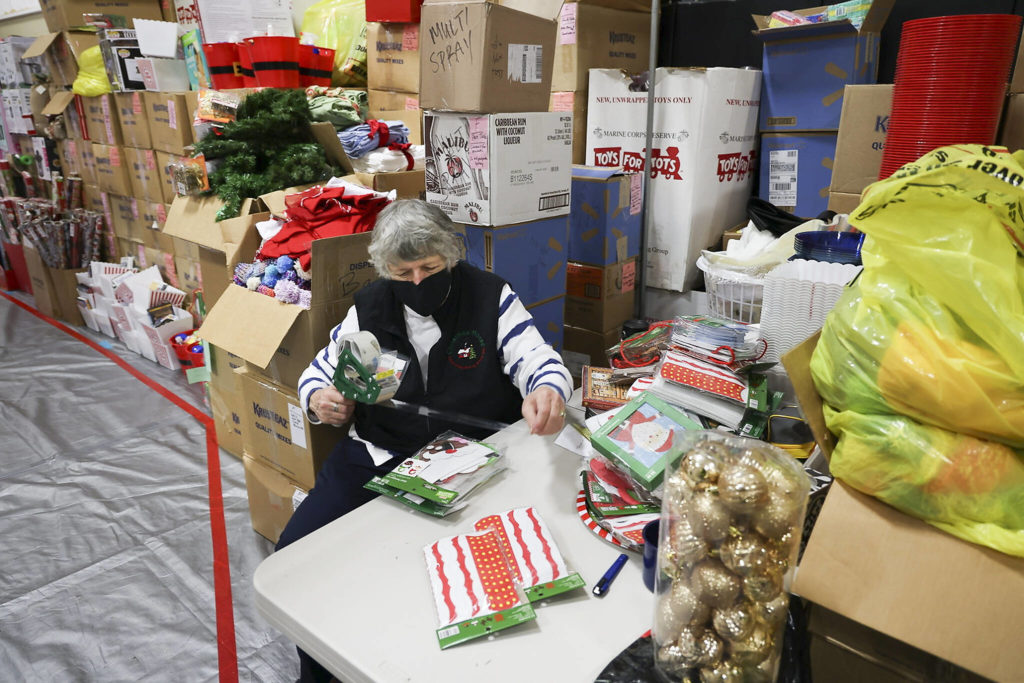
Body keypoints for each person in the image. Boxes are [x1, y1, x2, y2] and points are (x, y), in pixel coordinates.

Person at [275, 198, 572, 682]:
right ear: (383, 269)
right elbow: (317, 375)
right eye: (402, 272)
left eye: (429, 268)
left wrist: (546, 389)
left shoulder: (489, 296)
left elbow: (537, 357)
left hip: (469, 460)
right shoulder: (368, 307)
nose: (416, 281)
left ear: (451, 256)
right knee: (295, 557)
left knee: (459, 586)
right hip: (378, 451)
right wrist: (320, 399)